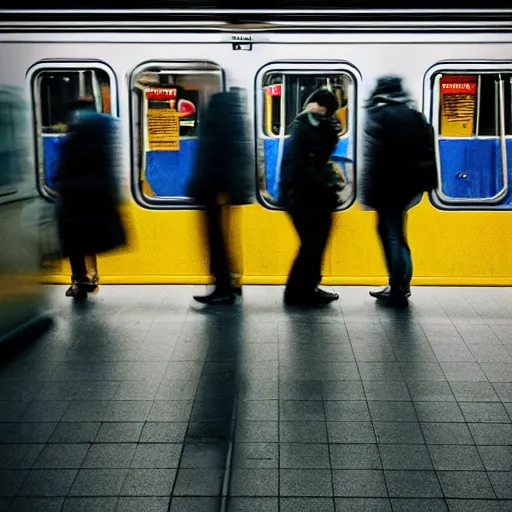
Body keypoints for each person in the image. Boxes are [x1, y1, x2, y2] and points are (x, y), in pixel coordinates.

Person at [361, 76, 438, 307]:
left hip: (387, 186)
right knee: (399, 234)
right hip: (409, 187)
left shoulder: (379, 115)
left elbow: (373, 157)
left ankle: (397, 287)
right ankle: (402, 283)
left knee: (391, 234)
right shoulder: (415, 115)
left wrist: (367, 193)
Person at [187, 87, 253, 305]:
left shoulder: (219, 115)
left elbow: (211, 158)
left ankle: (223, 287)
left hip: (214, 192)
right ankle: (229, 283)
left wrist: (207, 188)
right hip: (220, 192)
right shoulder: (234, 118)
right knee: (221, 241)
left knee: (216, 241)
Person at [54, 99, 126, 298]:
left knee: (75, 240)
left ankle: (80, 278)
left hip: (74, 200)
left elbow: (61, 172)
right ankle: (90, 276)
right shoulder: (103, 134)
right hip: (98, 200)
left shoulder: (73, 138)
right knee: (88, 239)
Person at [279, 88, 344, 307]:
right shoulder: (308, 126)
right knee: (312, 246)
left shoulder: (304, 124)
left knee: (312, 245)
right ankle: (298, 293)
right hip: (306, 199)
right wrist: (326, 185)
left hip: (303, 197)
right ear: (324, 108)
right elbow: (310, 162)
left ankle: (306, 288)